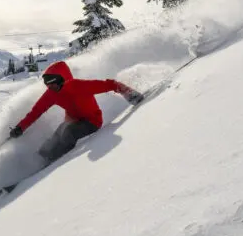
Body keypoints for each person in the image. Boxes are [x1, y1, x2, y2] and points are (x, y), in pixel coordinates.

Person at [8, 61, 144, 164]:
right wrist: (20, 128)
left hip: (92, 121)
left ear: (62, 80)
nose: (51, 88)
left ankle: (56, 162)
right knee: (59, 132)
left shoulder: (80, 86)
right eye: (48, 86)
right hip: (73, 120)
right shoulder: (51, 94)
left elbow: (110, 84)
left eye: (53, 85)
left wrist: (129, 93)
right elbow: (36, 112)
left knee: (68, 132)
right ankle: (40, 157)